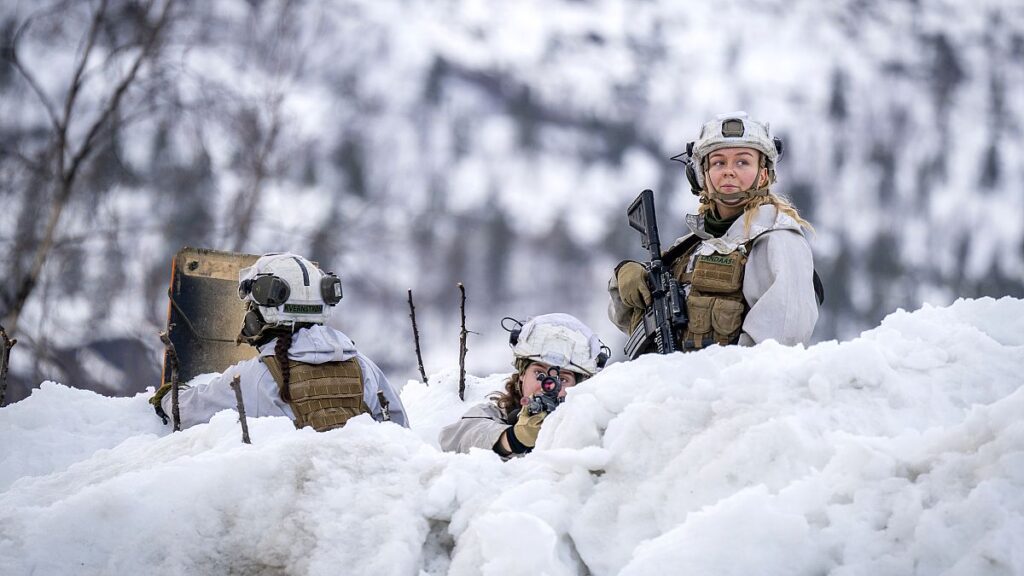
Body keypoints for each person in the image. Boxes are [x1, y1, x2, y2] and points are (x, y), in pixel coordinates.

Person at [609, 111, 819, 352]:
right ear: (702, 175)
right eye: (719, 162)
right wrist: (626, 277)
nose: (729, 171)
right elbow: (628, 321)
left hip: (731, 388)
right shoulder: (690, 247)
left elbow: (778, 348)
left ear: (763, 174)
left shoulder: (777, 241)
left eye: (742, 162)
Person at [151, 252, 407, 430]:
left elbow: (183, 411)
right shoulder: (362, 365)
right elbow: (399, 429)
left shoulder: (257, 376)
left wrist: (167, 395)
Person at [439, 313, 608, 457]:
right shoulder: (496, 414)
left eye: (562, 379)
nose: (548, 386)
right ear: (521, 376)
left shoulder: (591, 421)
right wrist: (514, 439)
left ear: (578, 386)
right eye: (539, 374)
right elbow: (454, 439)